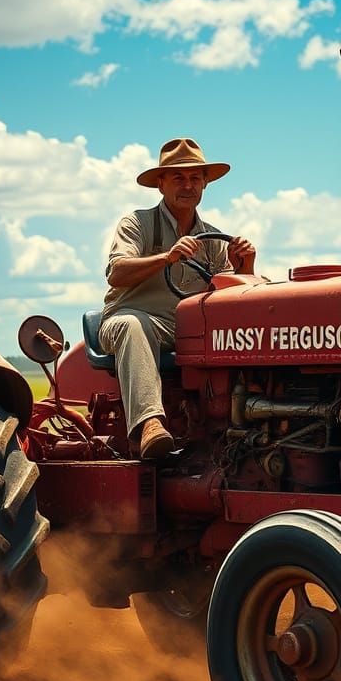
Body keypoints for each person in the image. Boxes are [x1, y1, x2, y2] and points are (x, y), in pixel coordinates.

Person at [100, 137, 256, 459]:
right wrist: (166, 258)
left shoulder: (212, 237)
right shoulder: (138, 224)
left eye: (195, 178)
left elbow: (228, 296)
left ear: (205, 184)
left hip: (186, 330)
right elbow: (117, 272)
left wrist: (246, 266)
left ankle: (243, 426)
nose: (188, 185)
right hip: (132, 319)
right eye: (178, 178)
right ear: (161, 184)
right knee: (132, 324)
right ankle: (150, 424)